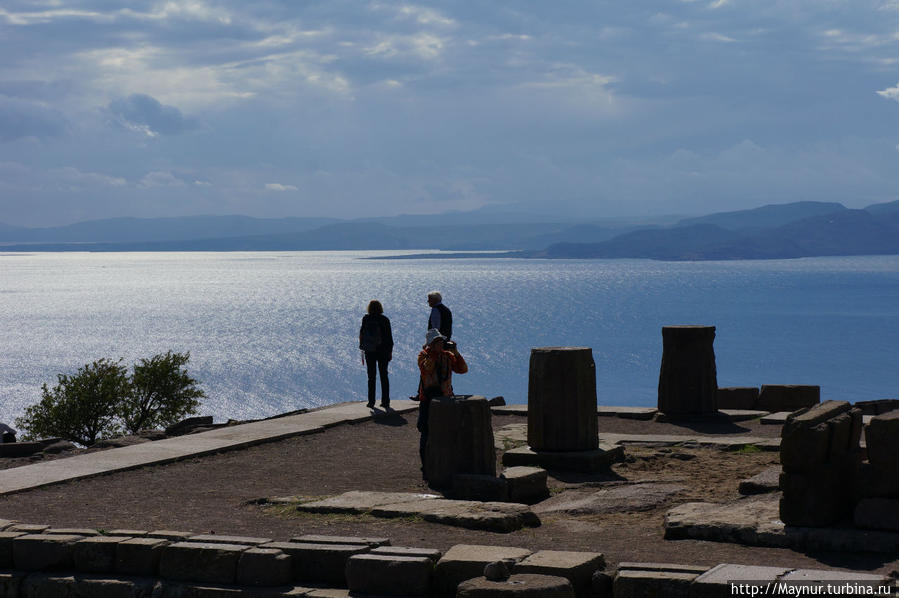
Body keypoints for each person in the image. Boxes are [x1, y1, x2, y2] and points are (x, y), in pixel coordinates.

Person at [416, 328, 468, 476]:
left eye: (441, 342)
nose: (441, 345)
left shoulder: (448, 356)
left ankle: (447, 466)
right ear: (431, 344)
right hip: (428, 400)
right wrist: (433, 353)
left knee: (448, 433)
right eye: (438, 342)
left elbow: (463, 369)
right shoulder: (423, 356)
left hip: (445, 399)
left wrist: (456, 353)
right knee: (426, 433)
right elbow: (427, 368)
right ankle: (426, 466)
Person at [359, 300, 393, 409]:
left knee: (371, 377)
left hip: (370, 351)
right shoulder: (384, 319)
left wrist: (363, 346)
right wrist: (390, 352)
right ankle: (385, 401)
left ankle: (371, 401)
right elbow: (389, 338)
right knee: (384, 376)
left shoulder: (366, 318)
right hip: (383, 351)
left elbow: (362, 333)